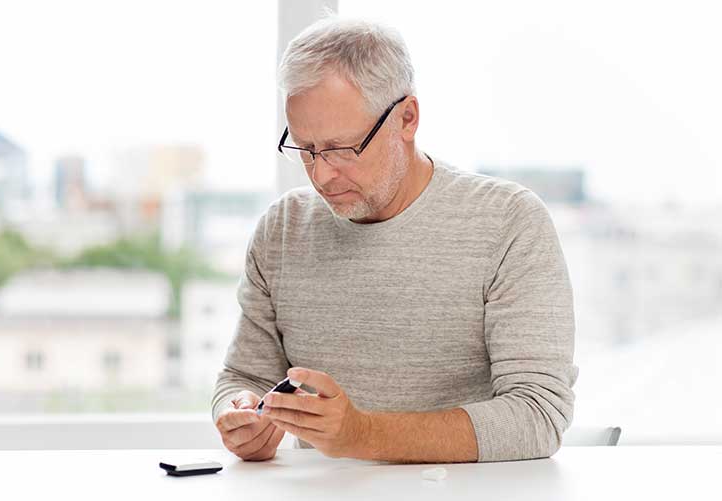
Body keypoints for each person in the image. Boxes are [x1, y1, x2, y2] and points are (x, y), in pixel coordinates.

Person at [212, 16, 578, 464]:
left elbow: (538, 417)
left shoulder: (508, 221)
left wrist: (360, 433)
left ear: (407, 118)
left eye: (342, 148)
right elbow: (243, 375)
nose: (322, 174)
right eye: (306, 149)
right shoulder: (283, 229)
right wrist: (240, 414)